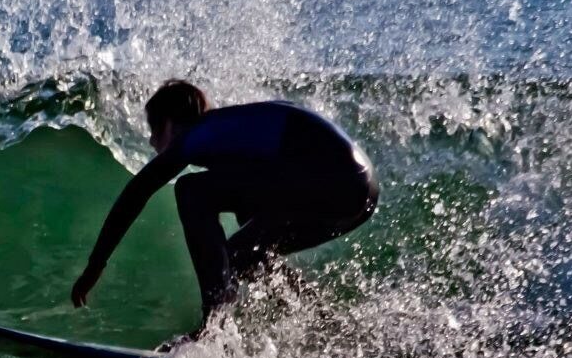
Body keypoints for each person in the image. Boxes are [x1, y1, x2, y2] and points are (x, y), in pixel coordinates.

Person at [70, 80, 378, 329]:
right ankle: (326, 326)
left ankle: (211, 328)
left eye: (154, 129)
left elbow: (136, 192)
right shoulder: (234, 138)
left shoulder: (199, 134)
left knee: (191, 190)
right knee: (247, 254)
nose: (152, 142)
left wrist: (96, 265)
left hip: (333, 176)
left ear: (171, 123)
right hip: (359, 190)